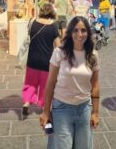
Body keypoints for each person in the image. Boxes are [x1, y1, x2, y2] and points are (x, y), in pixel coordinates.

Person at [40, 16, 100, 149]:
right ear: (70, 32)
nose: (80, 34)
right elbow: (50, 84)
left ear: (88, 33)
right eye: (76, 30)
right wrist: (46, 112)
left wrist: (95, 112)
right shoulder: (59, 53)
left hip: (84, 108)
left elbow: (95, 85)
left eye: (83, 30)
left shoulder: (93, 55)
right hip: (62, 108)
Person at [22, 3, 60, 116]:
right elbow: (58, 46)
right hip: (47, 62)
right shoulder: (53, 26)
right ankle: (44, 106)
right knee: (45, 85)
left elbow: (29, 34)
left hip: (32, 60)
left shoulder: (32, 22)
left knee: (30, 82)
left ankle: (27, 102)